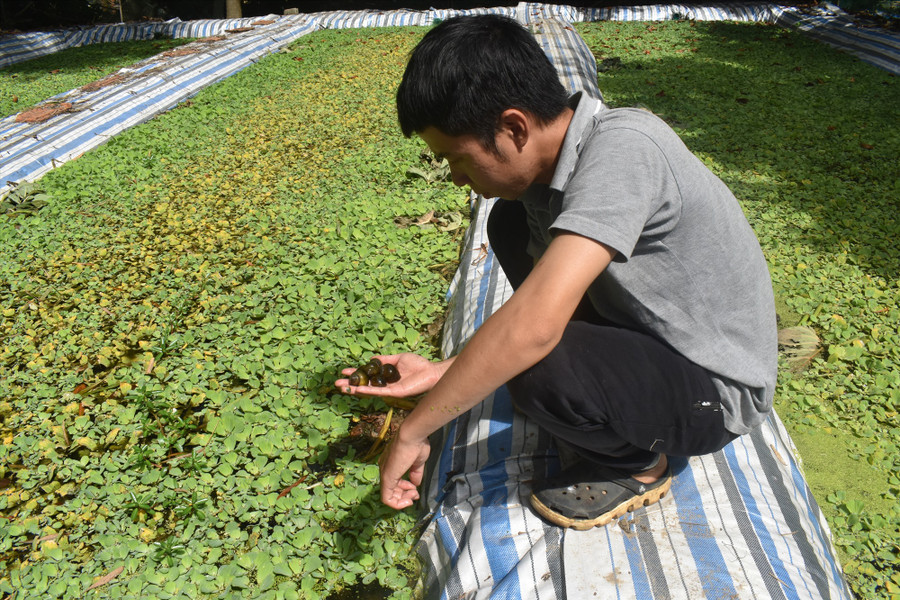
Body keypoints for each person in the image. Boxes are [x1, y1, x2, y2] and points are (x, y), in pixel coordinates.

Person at [335, 14, 777, 530]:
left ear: (514, 128)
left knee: (539, 363)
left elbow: (536, 329)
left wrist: (414, 430)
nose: (455, 178)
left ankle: (638, 466)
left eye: (457, 159)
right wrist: (442, 373)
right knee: (508, 224)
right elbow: (541, 315)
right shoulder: (546, 180)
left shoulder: (625, 151)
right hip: (654, 341)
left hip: (714, 392)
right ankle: (593, 393)